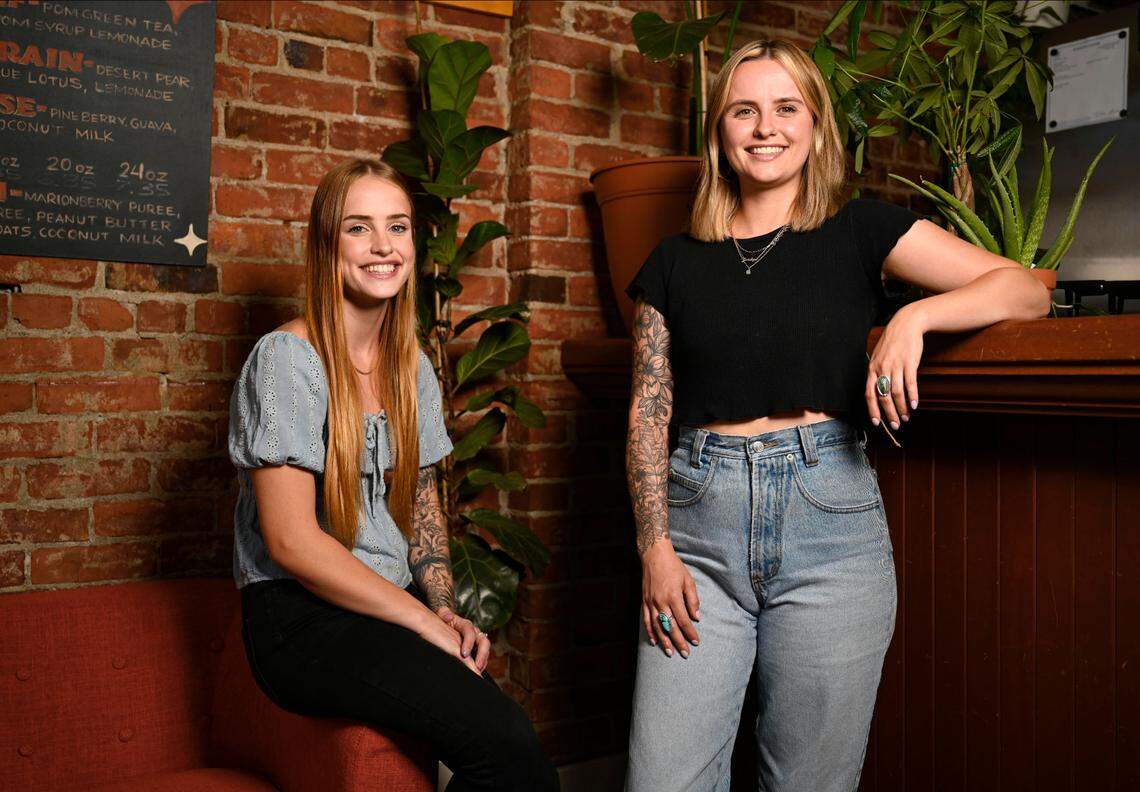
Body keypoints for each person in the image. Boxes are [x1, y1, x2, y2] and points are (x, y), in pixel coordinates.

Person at [623, 40, 1050, 792]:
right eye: (744, 110)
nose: (766, 127)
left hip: (830, 534)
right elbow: (647, 414)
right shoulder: (672, 261)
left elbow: (1026, 290)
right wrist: (654, 547)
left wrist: (915, 318)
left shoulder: (861, 230)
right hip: (695, 542)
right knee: (663, 780)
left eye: (786, 108)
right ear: (719, 132)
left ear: (816, 127)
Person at [228, 158, 559, 792]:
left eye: (397, 226)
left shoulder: (412, 368)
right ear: (327, 245)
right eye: (359, 228)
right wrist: (421, 621)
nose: (383, 245)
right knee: (508, 750)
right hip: (300, 619)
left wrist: (445, 609)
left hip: (388, 606)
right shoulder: (287, 359)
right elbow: (291, 541)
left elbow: (423, 511)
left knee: (512, 750)